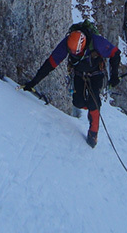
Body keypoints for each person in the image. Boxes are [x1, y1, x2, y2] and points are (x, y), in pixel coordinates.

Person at [23, 20, 121, 148]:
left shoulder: (96, 41)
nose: (75, 54)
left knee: (94, 102)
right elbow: (51, 63)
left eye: (77, 52)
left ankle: (93, 133)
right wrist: (33, 82)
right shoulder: (67, 43)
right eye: (73, 52)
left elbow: (115, 53)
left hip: (96, 73)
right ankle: (91, 108)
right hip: (79, 73)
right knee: (77, 102)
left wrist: (114, 75)